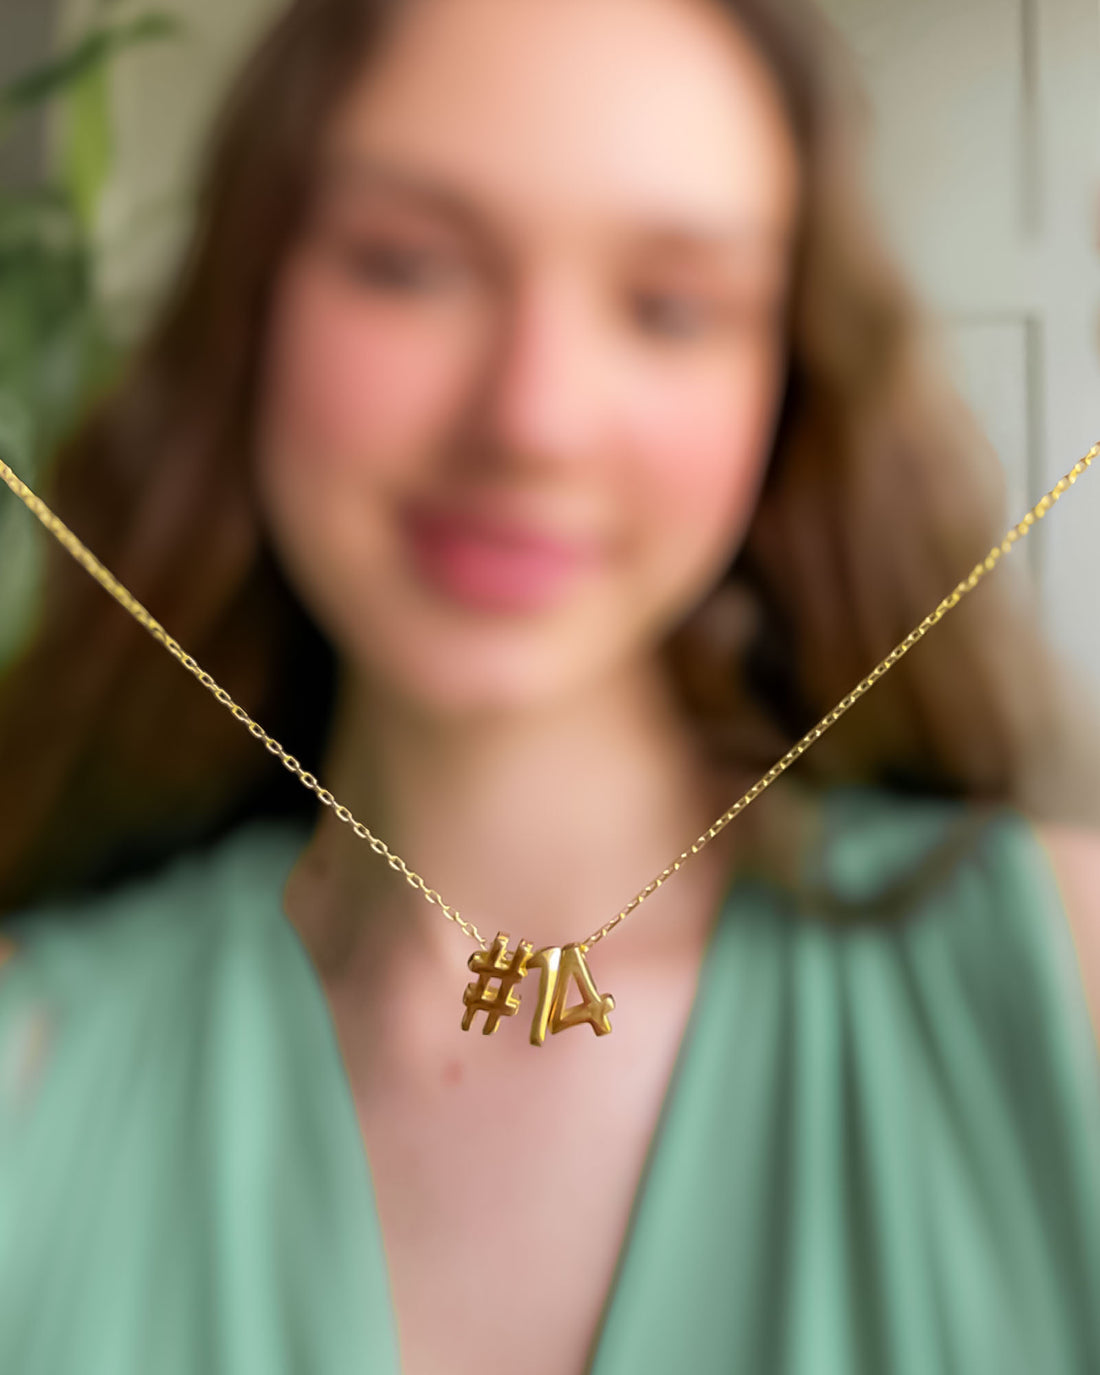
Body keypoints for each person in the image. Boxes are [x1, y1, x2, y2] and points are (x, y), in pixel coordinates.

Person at [0, 0, 1098, 1371]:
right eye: (409, 266)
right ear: (253, 308)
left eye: (670, 306)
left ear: (786, 381)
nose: (532, 415)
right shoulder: (34, 1066)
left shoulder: (1068, 986)